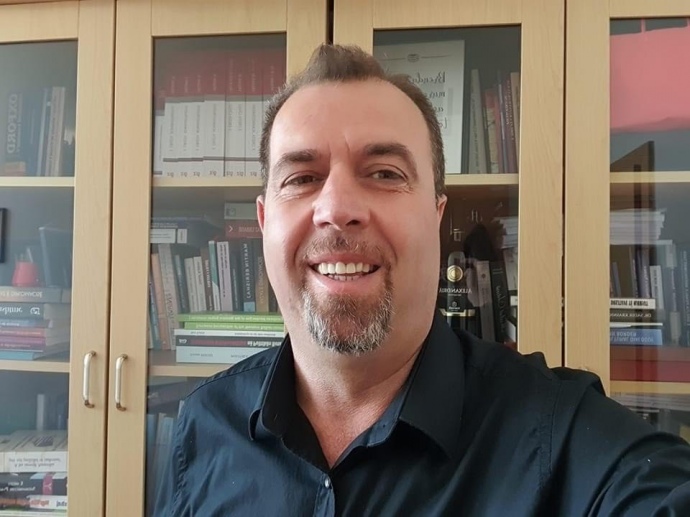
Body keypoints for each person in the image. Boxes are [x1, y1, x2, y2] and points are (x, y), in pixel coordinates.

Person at [154, 44, 690, 516]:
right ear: (265, 221)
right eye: (302, 178)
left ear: (436, 214)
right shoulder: (204, 424)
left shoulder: (559, 434)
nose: (336, 208)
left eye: (384, 173)